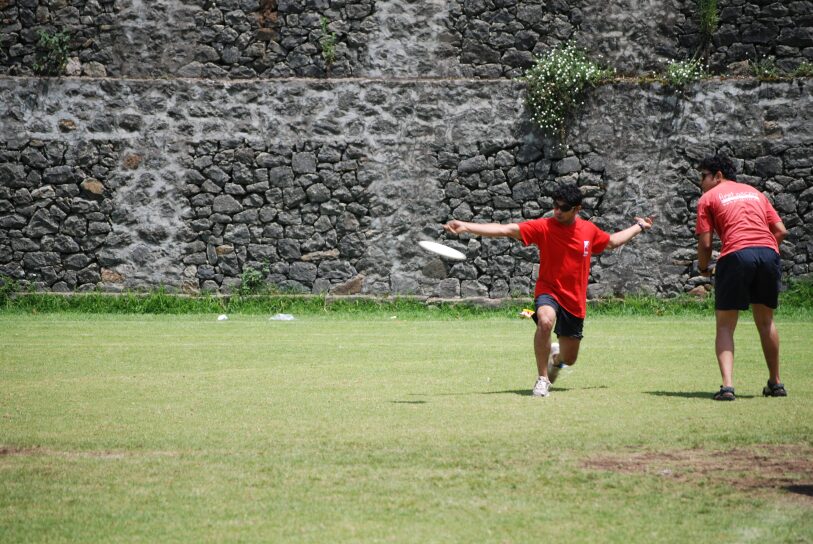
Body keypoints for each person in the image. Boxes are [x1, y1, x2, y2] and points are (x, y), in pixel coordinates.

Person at [444, 183, 653, 397]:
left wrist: (640, 226)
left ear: (577, 209)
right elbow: (506, 229)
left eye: (563, 208)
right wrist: (467, 226)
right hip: (549, 290)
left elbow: (612, 242)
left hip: (574, 301)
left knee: (569, 359)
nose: (557, 211)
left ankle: (557, 358)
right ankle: (543, 379)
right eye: (555, 206)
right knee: (544, 321)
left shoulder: (588, 230)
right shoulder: (544, 227)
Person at [695, 155, 788, 401]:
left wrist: (704, 269)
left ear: (718, 176)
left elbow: (705, 244)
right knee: (766, 321)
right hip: (768, 254)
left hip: (736, 254)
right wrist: (765, 250)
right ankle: (775, 383)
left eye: (703, 176)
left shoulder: (708, 198)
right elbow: (780, 230)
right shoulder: (755, 193)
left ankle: (727, 387)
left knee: (725, 324)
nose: (701, 182)